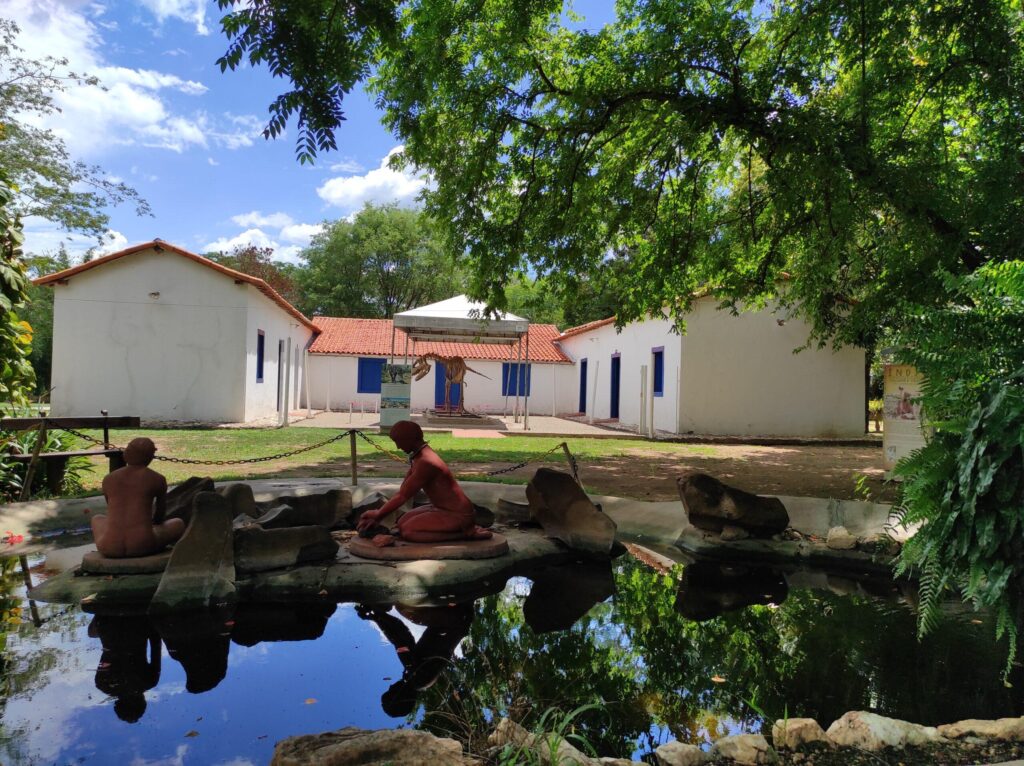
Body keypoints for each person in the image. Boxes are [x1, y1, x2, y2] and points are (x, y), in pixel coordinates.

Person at [356, 420, 491, 544]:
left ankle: (466, 533)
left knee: (409, 531)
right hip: (441, 508)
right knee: (401, 523)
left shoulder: (426, 462)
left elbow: (403, 496)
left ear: (410, 439)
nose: (397, 447)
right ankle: (463, 529)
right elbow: (404, 489)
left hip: (458, 514)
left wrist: (378, 514)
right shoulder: (419, 456)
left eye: (399, 441)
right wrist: (379, 515)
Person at [91, 437, 185, 558]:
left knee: (97, 518)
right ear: (150, 457)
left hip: (109, 547)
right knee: (178, 523)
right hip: (143, 545)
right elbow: (159, 516)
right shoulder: (157, 478)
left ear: (126, 454)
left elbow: (111, 510)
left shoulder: (109, 478)